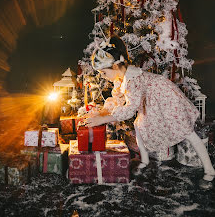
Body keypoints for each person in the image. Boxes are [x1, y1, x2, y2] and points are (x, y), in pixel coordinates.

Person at [84, 35, 215, 184]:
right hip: (151, 102)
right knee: (139, 125)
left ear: (114, 66)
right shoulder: (121, 78)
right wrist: (101, 112)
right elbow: (118, 100)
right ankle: (145, 161)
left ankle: (209, 170)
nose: (103, 77)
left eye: (104, 73)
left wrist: (103, 119)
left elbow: (128, 110)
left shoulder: (131, 79)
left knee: (187, 131)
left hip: (165, 99)